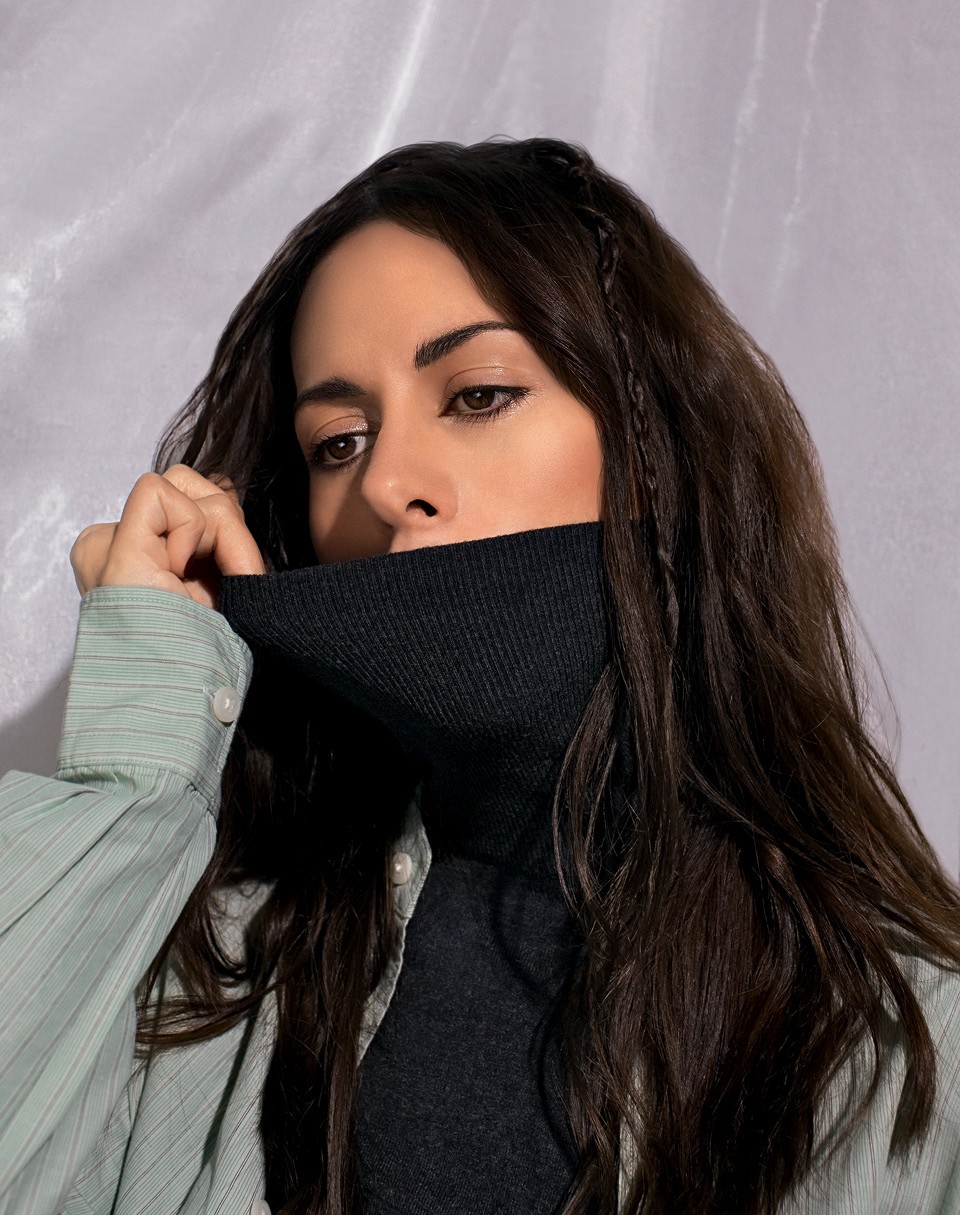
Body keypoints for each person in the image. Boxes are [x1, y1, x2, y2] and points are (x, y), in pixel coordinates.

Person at [1, 136, 959, 1215]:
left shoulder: (912, 1043)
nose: (386, 483)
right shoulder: (207, 981)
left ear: (657, 448)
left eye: (479, 394)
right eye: (337, 442)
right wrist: (140, 762)